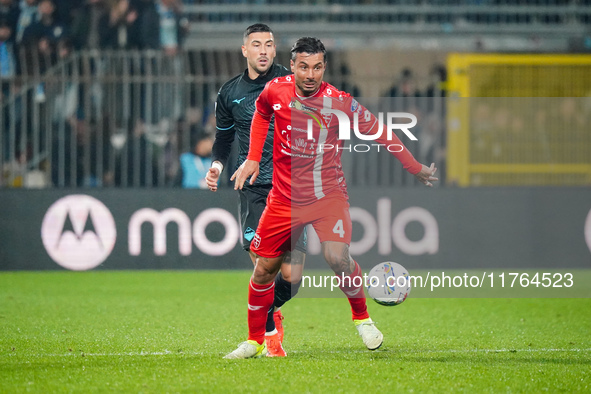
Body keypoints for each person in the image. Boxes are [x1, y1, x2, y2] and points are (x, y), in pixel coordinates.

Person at [226, 37, 438, 359]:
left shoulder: (340, 102)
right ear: (293, 66)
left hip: (328, 196)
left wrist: (414, 166)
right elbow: (260, 115)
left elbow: (379, 131)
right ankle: (254, 341)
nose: (311, 74)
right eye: (304, 67)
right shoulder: (275, 91)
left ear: (324, 67)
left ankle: (362, 318)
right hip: (284, 200)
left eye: (317, 67)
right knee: (264, 270)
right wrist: (253, 158)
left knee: (336, 256)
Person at [204, 23, 307, 358]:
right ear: (244, 50)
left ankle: (267, 314)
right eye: (257, 44)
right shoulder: (229, 92)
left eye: (269, 44)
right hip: (254, 188)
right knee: (264, 264)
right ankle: (268, 333)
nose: (263, 50)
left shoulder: (293, 83)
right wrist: (217, 167)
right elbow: (223, 137)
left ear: (275, 50)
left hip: (292, 187)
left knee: (291, 277)